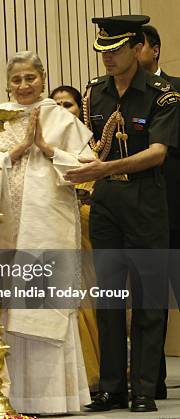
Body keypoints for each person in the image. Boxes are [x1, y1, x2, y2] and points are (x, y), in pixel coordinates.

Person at [65, 15, 180, 413]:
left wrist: (102, 168)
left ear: (136, 48)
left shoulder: (163, 95)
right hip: (107, 207)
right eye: (103, 51)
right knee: (109, 298)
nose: (108, 59)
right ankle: (111, 387)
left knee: (149, 301)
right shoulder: (95, 93)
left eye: (115, 51)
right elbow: (92, 144)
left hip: (147, 204)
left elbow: (157, 153)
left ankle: (144, 389)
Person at [0, 52, 92, 414]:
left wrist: (48, 150)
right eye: (16, 79)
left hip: (48, 225)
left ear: (43, 77)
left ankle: (54, 400)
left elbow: (89, 169)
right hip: (7, 228)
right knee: (8, 310)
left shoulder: (61, 118)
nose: (23, 86)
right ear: (7, 83)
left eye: (30, 78)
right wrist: (18, 150)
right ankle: (11, 398)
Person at [138, 24, 180, 401]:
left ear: (155, 49)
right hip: (143, 210)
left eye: (138, 47)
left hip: (177, 201)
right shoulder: (111, 93)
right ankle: (153, 381)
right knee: (149, 298)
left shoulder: (178, 90)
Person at [50, 85, 100, 393]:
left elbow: (92, 183)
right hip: (52, 229)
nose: (61, 109)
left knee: (87, 298)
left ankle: (97, 373)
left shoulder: (85, 144)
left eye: (67, 104)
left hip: (83, 223)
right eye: (55, 104)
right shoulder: (39, 143)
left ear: (79, 110)